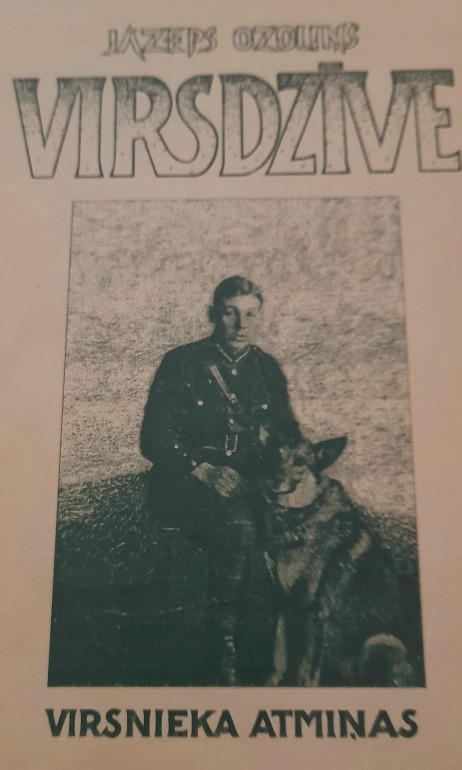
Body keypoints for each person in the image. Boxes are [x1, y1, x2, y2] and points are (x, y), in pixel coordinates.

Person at [140, 275, 301, 684]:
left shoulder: (267, 369)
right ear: (215, 314)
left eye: (251, 314)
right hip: (186, 484)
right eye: (231, 313)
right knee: (240, 527)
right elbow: (154, 436)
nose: (241, 324)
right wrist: (204, 469)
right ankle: (224, 655)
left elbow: (287, 433)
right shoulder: (182, 362)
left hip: (247, 485)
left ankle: (279, 654)